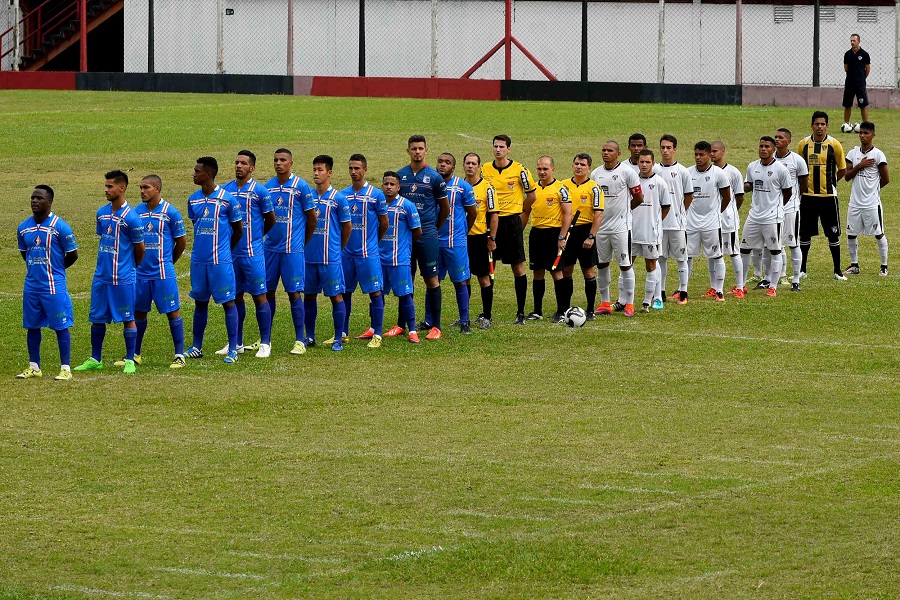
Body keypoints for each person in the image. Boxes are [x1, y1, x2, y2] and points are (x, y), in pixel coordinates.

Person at [74, 170, 146, 374]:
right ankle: (95, 358)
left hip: (122, 277)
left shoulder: (132, 218)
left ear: (121, 188)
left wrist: (129, 268)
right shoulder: (102, 213)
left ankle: (130, 359)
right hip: (101, 276)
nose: (105, 190)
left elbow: (140, 249)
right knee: (97, 317)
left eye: (110, 186)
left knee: (128, 317)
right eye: (105, 186)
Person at [183, 157, 244, 363]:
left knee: (228, 303)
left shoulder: (228, 199)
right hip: (199, 262)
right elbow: (196, 226)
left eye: (196, 171)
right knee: (200, 303)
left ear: (207, 174)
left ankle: (233, 349)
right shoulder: (193, 199)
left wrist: (225, 250)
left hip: (221, 262)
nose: (193, 174)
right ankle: (196, 347)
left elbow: (238, 231)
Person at [124, 175, 188, 369]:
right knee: (139, 313)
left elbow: (181, 242)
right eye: (140, 188)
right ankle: (135, 354)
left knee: (173, 312)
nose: (142, 191)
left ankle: (179, 354)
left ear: (157, 189)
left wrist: (168, 262)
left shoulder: (171, 212)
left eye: (146, 187)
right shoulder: (136, 213)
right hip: (141, 274)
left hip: (163, 273)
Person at [16, 185, 78, 380]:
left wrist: (57, 270)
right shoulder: (23, 227)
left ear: (49, 202)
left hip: (54, 286)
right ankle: (34, 366)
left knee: (61, 325)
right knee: (32, 325)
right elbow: (24, 254)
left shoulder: (60, 226)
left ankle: (65, 368)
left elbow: (73, 254)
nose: (34, 201)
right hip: (32, 285)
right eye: (33, 198)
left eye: (39, 198)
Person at [220, 151, 275, 358]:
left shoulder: (260, 192)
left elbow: (270, 219)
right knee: (234, 297)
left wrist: (256, 237)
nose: (238, 166)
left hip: (253, 254)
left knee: (260, 297)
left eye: (243, 163)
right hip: (231, 254)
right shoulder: (225, 190)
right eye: (236, 162)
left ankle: (265, 343)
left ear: (252, 168)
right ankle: (237, 342)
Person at [264, 148, 317, 356]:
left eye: (283, 160)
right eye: (276, 160)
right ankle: (265, 339)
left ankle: (299, 339)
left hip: (292, 251)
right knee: (267, 293)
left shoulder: (301, 187)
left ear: (291, 163)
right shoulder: (267, 187)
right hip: (270, 250)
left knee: (294, 293)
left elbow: (312, 219)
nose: (279, 163)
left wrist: (301, 242)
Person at [396, 135, 449, 340]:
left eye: (420, 148)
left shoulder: (434, 178)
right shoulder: (401, 176)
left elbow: (444, 208)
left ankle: (436, 326)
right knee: (404, 278)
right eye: (413, 148)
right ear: (408, 151)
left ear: (426, 151)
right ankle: (402, 324)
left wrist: (434, 228)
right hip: (405, 237)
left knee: (431, 279)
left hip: (427, 234)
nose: (417, 151)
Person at [482, 134, 537, 325]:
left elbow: (532, 196)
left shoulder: (520, 170)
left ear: (508, 149)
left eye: (502, 147)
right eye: (495, 146)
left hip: (511, 221)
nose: (498, 149)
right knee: (490, 265)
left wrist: (518, 211)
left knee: (518, 266)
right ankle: (486, 312)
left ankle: (520, 312)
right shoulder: (485, 169)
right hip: (491, 221)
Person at [303, 155, 352, 351]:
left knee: (336, 296)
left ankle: (338, 338)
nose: (316, 173)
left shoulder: (339, 199)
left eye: (320, 169)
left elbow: (347, 227)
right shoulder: (308, 197)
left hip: (330, 257)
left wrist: (337, 248)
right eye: (314, 169)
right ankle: (309, 336)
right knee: (308, 296)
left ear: (329, 173)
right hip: (308, 256)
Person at [341, 153, 389, 347]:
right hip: (347, 254)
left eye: (357, 168)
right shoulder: (343, 194)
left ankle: (377, 333)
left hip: (368, 253)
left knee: (375, 292)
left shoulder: (376, 195)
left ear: (365, 170)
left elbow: (384, 223)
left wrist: (372, 243)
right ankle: (342, 332)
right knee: (344, 292)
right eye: (351, 168)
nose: (353, 172)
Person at [591, 141, 641, 316]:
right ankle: (605, 302)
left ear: (618, 153)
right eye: (603, 150)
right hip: (602, 229)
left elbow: (638, 198)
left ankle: (630, 303)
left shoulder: (627, 172)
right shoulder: (595, 174)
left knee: (625, 265)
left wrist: (624, 212)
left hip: (621, 228)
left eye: (609, 150)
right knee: (602, 264)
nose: (605, 153)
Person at [740, 137, 793, 297]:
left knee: (775, 251)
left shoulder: (780, 169)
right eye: (761, 146)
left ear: (773, 149)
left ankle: (773, 286)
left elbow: (788, 192)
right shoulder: (752, 166)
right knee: (744, 249)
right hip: (754, 216)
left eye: (767, 147)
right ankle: (741, 285)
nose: (763, 149)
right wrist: (744, 187)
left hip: (772, 218)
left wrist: (776, 208)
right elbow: (749, 184)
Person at [797, 111, 847, 280]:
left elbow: (842, 169)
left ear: (827, 126)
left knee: (833, 234)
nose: (820, 127)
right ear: (812, 125)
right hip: (808, 197)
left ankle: (837, 271)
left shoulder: (835, 144)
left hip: (828, 198)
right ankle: (802, 269)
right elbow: (799, 169)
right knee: (804, 234)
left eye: (823, 124)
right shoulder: (803, 144)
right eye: (817, 124)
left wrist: (831, 184)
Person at [523, 156, 572, 323]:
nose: (542, 172)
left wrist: (562, 236)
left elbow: (568, 214)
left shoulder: (561, 189)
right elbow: (526, 211)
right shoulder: (533, 190)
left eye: (545, 169)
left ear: (553, 169)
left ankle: (562, 310)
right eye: (539, 169)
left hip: (554, 234)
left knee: (556, 272)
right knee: (537, 272)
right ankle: (537, 310)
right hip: (536, 233)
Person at [684, 142, 732, 303]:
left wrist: (716, 213)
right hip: (691, 224)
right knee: (687, 256)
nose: (698, 157)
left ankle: (719, 290)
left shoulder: (718, 173)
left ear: (709, 155)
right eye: (696, 154)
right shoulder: (688, 173)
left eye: (701, 154)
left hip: (711, 224)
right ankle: (683, 289)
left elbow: (727, 197)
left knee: (717, 256)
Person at [380, 171, 423, 343]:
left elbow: (417, 231)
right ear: (382, 185)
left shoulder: (407, 205)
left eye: (392, 184)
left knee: (405, 295)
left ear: (398, 187)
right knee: (377, 295)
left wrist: (404, 244)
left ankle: (412, 330)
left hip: (400, 259)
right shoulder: (378, 204)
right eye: (386, 184)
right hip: (380, 259)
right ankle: (375, 328)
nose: (389, 187)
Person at [436, 152, 477, 333]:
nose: (443, 165)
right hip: (435, 243)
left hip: (456, 242)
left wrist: (462, 233)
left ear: (453, 167)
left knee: (460, 281)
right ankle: (430, 320)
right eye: (440, 162)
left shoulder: (463, 187)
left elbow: (473, 213)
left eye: (447, 162)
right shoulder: (431, 185)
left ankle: (464, 320)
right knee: (433, 281)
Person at [843, 121, 889, 276]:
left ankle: (884, 266)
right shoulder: (852, 154)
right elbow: (847, 177)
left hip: (871, 203)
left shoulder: (878, 155)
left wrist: (873, 190)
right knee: (851, 233)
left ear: (873, 135)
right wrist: (860, 165)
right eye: (860, 133)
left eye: (866, 133)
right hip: (854, 203)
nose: (862, 136)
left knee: (878, 233)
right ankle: (854, 265)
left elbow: (886, 179)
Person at [561, 154, 604, 319]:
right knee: (567, 270)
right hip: (568, 232)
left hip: (585, 232)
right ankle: (565, 308)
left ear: (589, 168)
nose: (579, 167)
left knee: (588, 271)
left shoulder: (594, 188)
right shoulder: (563, 185)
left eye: (583, 165)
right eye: (576, 164)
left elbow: (598, 214)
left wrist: (591, 236)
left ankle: (591, 309)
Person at [656, 134, 693, 306]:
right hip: (659, 224)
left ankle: (683, 292)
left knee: (681, 258)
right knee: (660, 258)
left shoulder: (683, 171)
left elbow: (689, 195)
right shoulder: (654, 170)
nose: (665, 151)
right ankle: (661, 292)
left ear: (675, 149)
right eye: (663, 147)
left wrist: (681, 213)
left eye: (668, 148)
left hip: (677, 224)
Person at [462, 152, 498, 330]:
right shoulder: (458, 186)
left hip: (479, 239)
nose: (470, 166)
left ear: (479, 167)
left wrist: (491, 238)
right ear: (463, 165)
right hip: (461, 239)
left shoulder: (487, 188)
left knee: (483, 278)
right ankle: (464, 316)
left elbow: (494, 215)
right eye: (467, 163)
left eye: (473, 163)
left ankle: (487, 316)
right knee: (464, 278)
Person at [632, 150, 671, 312]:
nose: (644, 165)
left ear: (653, 163)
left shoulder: (660, 182)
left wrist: (655, 222)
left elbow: (666, 206)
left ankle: (648, 301)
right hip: (632, 231)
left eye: (648, 162)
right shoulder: (632, 181)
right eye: (642, 162)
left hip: (651, 233)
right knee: (627, 265)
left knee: (651, 266)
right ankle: (626, 300)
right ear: (638, 163)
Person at [774, 128, 810, 291]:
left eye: (780, 137)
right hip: (772, 211)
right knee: (775, 245)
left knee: (793, 244)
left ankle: (796, 279)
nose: (777, 140)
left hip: (790, 209)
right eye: (775, 137)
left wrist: (794, 201)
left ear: (788, 141)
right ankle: (777, 276)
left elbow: (804, 185)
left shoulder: (797, 161)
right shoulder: (769, 159)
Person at [710, 141, 745, 296]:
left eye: (715, 151)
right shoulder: (708, 171)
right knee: (713, 253)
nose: (712, 154)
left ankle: (740, 286)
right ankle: (713, 287)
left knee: (733, 252)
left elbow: (740, 197)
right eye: (710, 151)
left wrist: (731, 213)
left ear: (723, 151)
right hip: (711, 222)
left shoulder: (733, 172)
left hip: (728, 221)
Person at [842, 34, 871, 131]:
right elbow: (846, 68)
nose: (852, 42)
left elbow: (867, 69)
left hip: (860, 84)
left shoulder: (864, 54)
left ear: (858, 41)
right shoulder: (847, 54)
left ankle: (866, 125)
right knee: (847, 105)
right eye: (851, 40)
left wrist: (862, 78)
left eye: (854, 40)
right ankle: (846, 124)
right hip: (849, 84)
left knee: (863, 105)